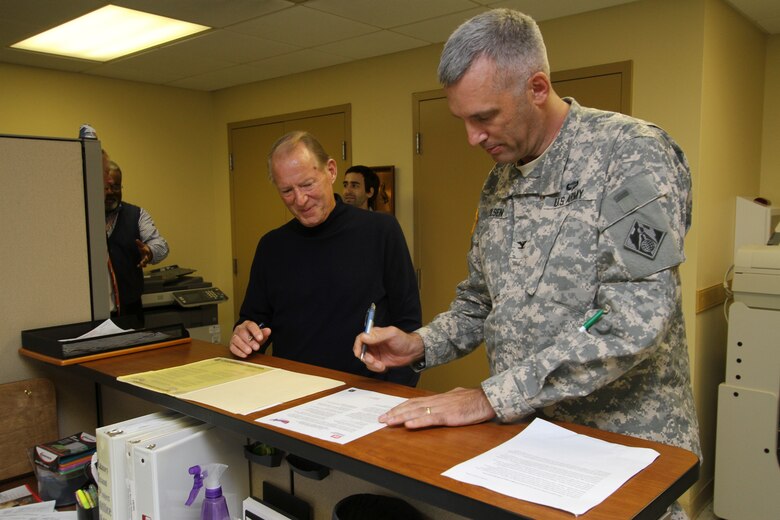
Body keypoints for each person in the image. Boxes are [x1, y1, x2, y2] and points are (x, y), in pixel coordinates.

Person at [354, 10, 700, 512]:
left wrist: (491, 398)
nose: (473, 137)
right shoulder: (501, 180)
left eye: (484, 116)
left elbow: (634, 319)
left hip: (622, 453)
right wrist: (418, 344)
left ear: (537, 87)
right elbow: (480, 302)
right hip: (529, 447)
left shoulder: (629, 155)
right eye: (464, 121)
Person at [230, 131, 421, 386]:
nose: (300, 200)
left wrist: (394, 393)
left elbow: (408, 323)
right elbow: (254, 320)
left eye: (307, 184)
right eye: (287, 191)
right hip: (291, 393)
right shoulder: (271, 246)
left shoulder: (381, 231)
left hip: (366, 395)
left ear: (331, 171)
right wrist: (244, 334)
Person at [104, 154, 169, 323]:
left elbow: (161, 245)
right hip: (94, 313)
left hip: (130, 311)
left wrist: (150, 252)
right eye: (105, 187)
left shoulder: (136, 214)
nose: (110, 192)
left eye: (116, 187)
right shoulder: (81, 218)